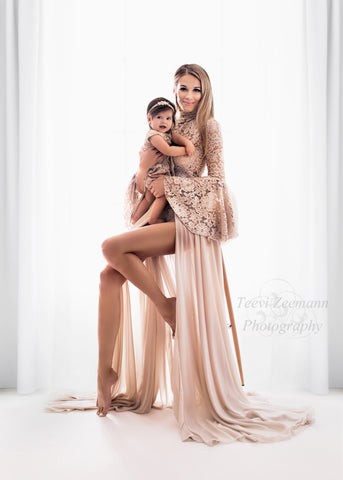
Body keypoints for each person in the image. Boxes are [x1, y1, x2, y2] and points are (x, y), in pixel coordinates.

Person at [45, 64, 315, 446]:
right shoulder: (166, 126)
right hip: (166, 212)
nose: (188, 96)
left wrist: (168, 182)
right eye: (182, 89)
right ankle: (105, 373)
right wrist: (145, 178)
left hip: (193, 222)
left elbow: (217, 179)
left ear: (205, 93)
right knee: (108, 274)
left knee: (110, 247)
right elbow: (151, 169)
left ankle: (166, 306)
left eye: (195, 90)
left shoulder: (210, 127)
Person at [129, 97, 194, 227]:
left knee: (148, 198)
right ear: (149, 119)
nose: (164, 121)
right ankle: (153, 218)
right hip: (154, 173)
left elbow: (177, 137)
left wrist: (187, 142)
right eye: (159, 117)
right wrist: (185, 151)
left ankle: (135, 218)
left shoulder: (168, 133)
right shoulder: (154, 135)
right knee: (162, 196)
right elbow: (167, 150)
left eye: (168, 118)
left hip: (158, 173)